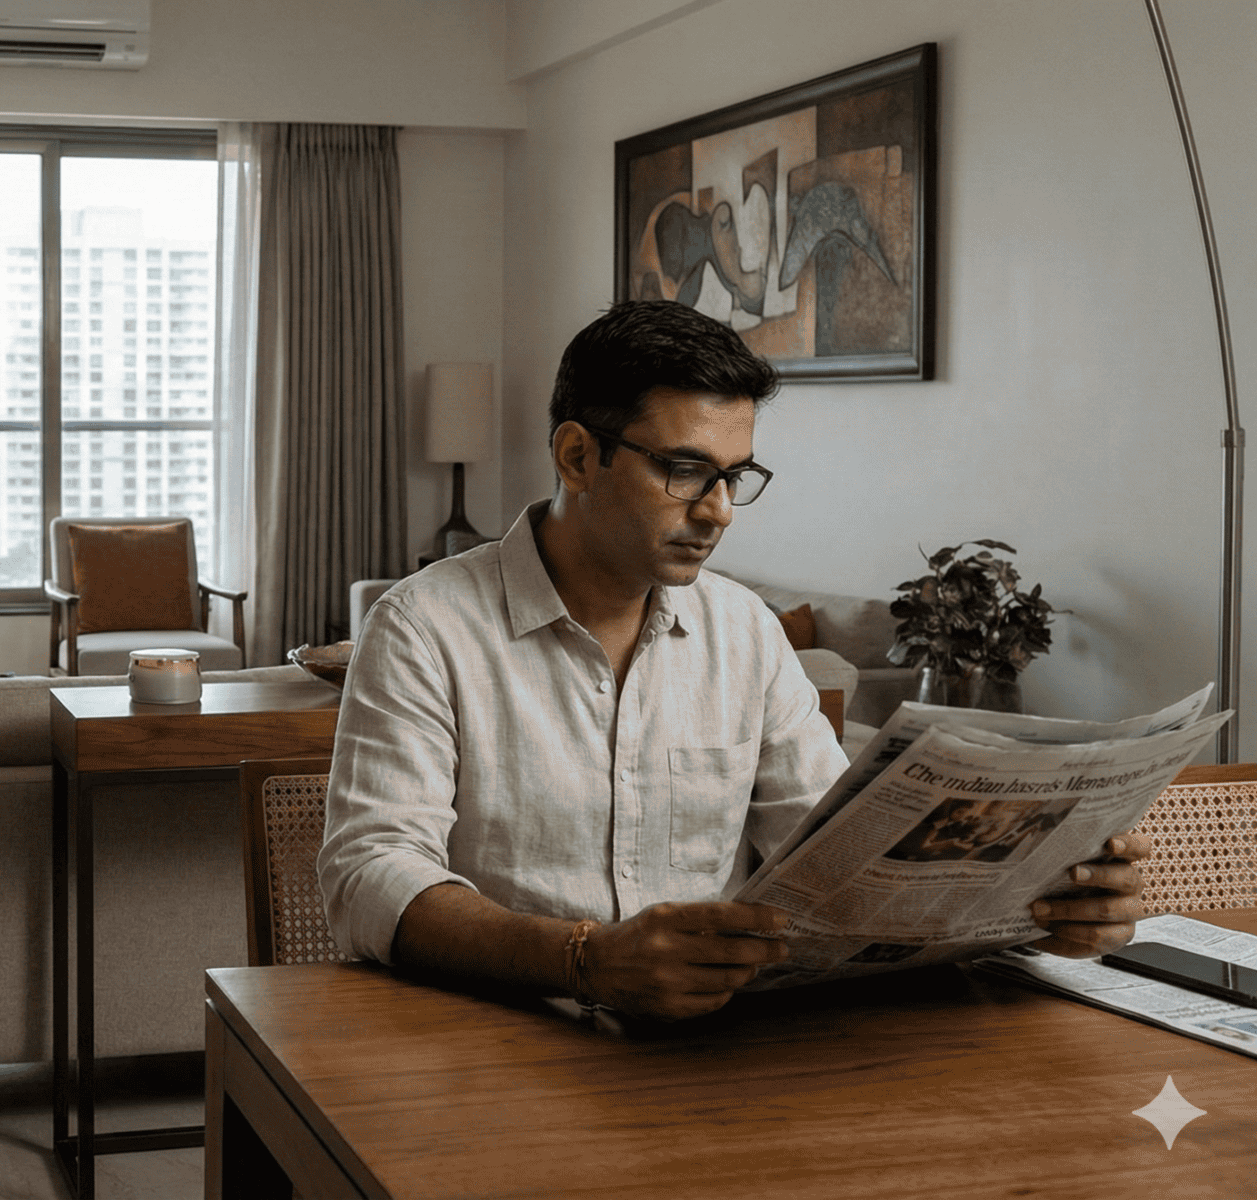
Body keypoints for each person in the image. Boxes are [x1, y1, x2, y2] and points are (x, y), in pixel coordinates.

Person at [316, 300, 1150, 1022]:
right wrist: (586, 959)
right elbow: (368, 875)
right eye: (685, 471)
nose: (718, 512)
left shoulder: (743, 631)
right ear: (577, 456)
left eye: (733, 476)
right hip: (493, 1035)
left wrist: (1037, 909)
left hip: (715, 1043)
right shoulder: (423, 626)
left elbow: (838, 862)